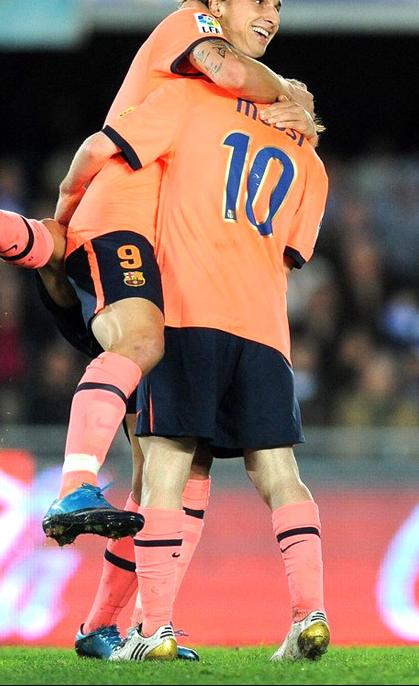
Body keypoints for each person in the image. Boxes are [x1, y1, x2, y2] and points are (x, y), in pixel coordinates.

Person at [0, 0, 320, 543]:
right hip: (130, 219)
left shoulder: (214, 99)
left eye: (277, 6)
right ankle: (75, 486)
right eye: (259, 0)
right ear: (215, 4)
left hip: (146, 244)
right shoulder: (191, 28)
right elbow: (219, 81)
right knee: (144, 350)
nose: (272, 16)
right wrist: (291, 93)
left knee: (151, 470)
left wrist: (63, 224)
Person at [72, 70, 329, 662]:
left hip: (188, 314)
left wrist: (68, 204)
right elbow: (293, 251)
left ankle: (153, 629)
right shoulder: (310, 162)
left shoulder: (192, 101)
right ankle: (308, 614)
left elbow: (103, 150)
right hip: (265, 330)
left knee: (166, 468)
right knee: (280, 473)